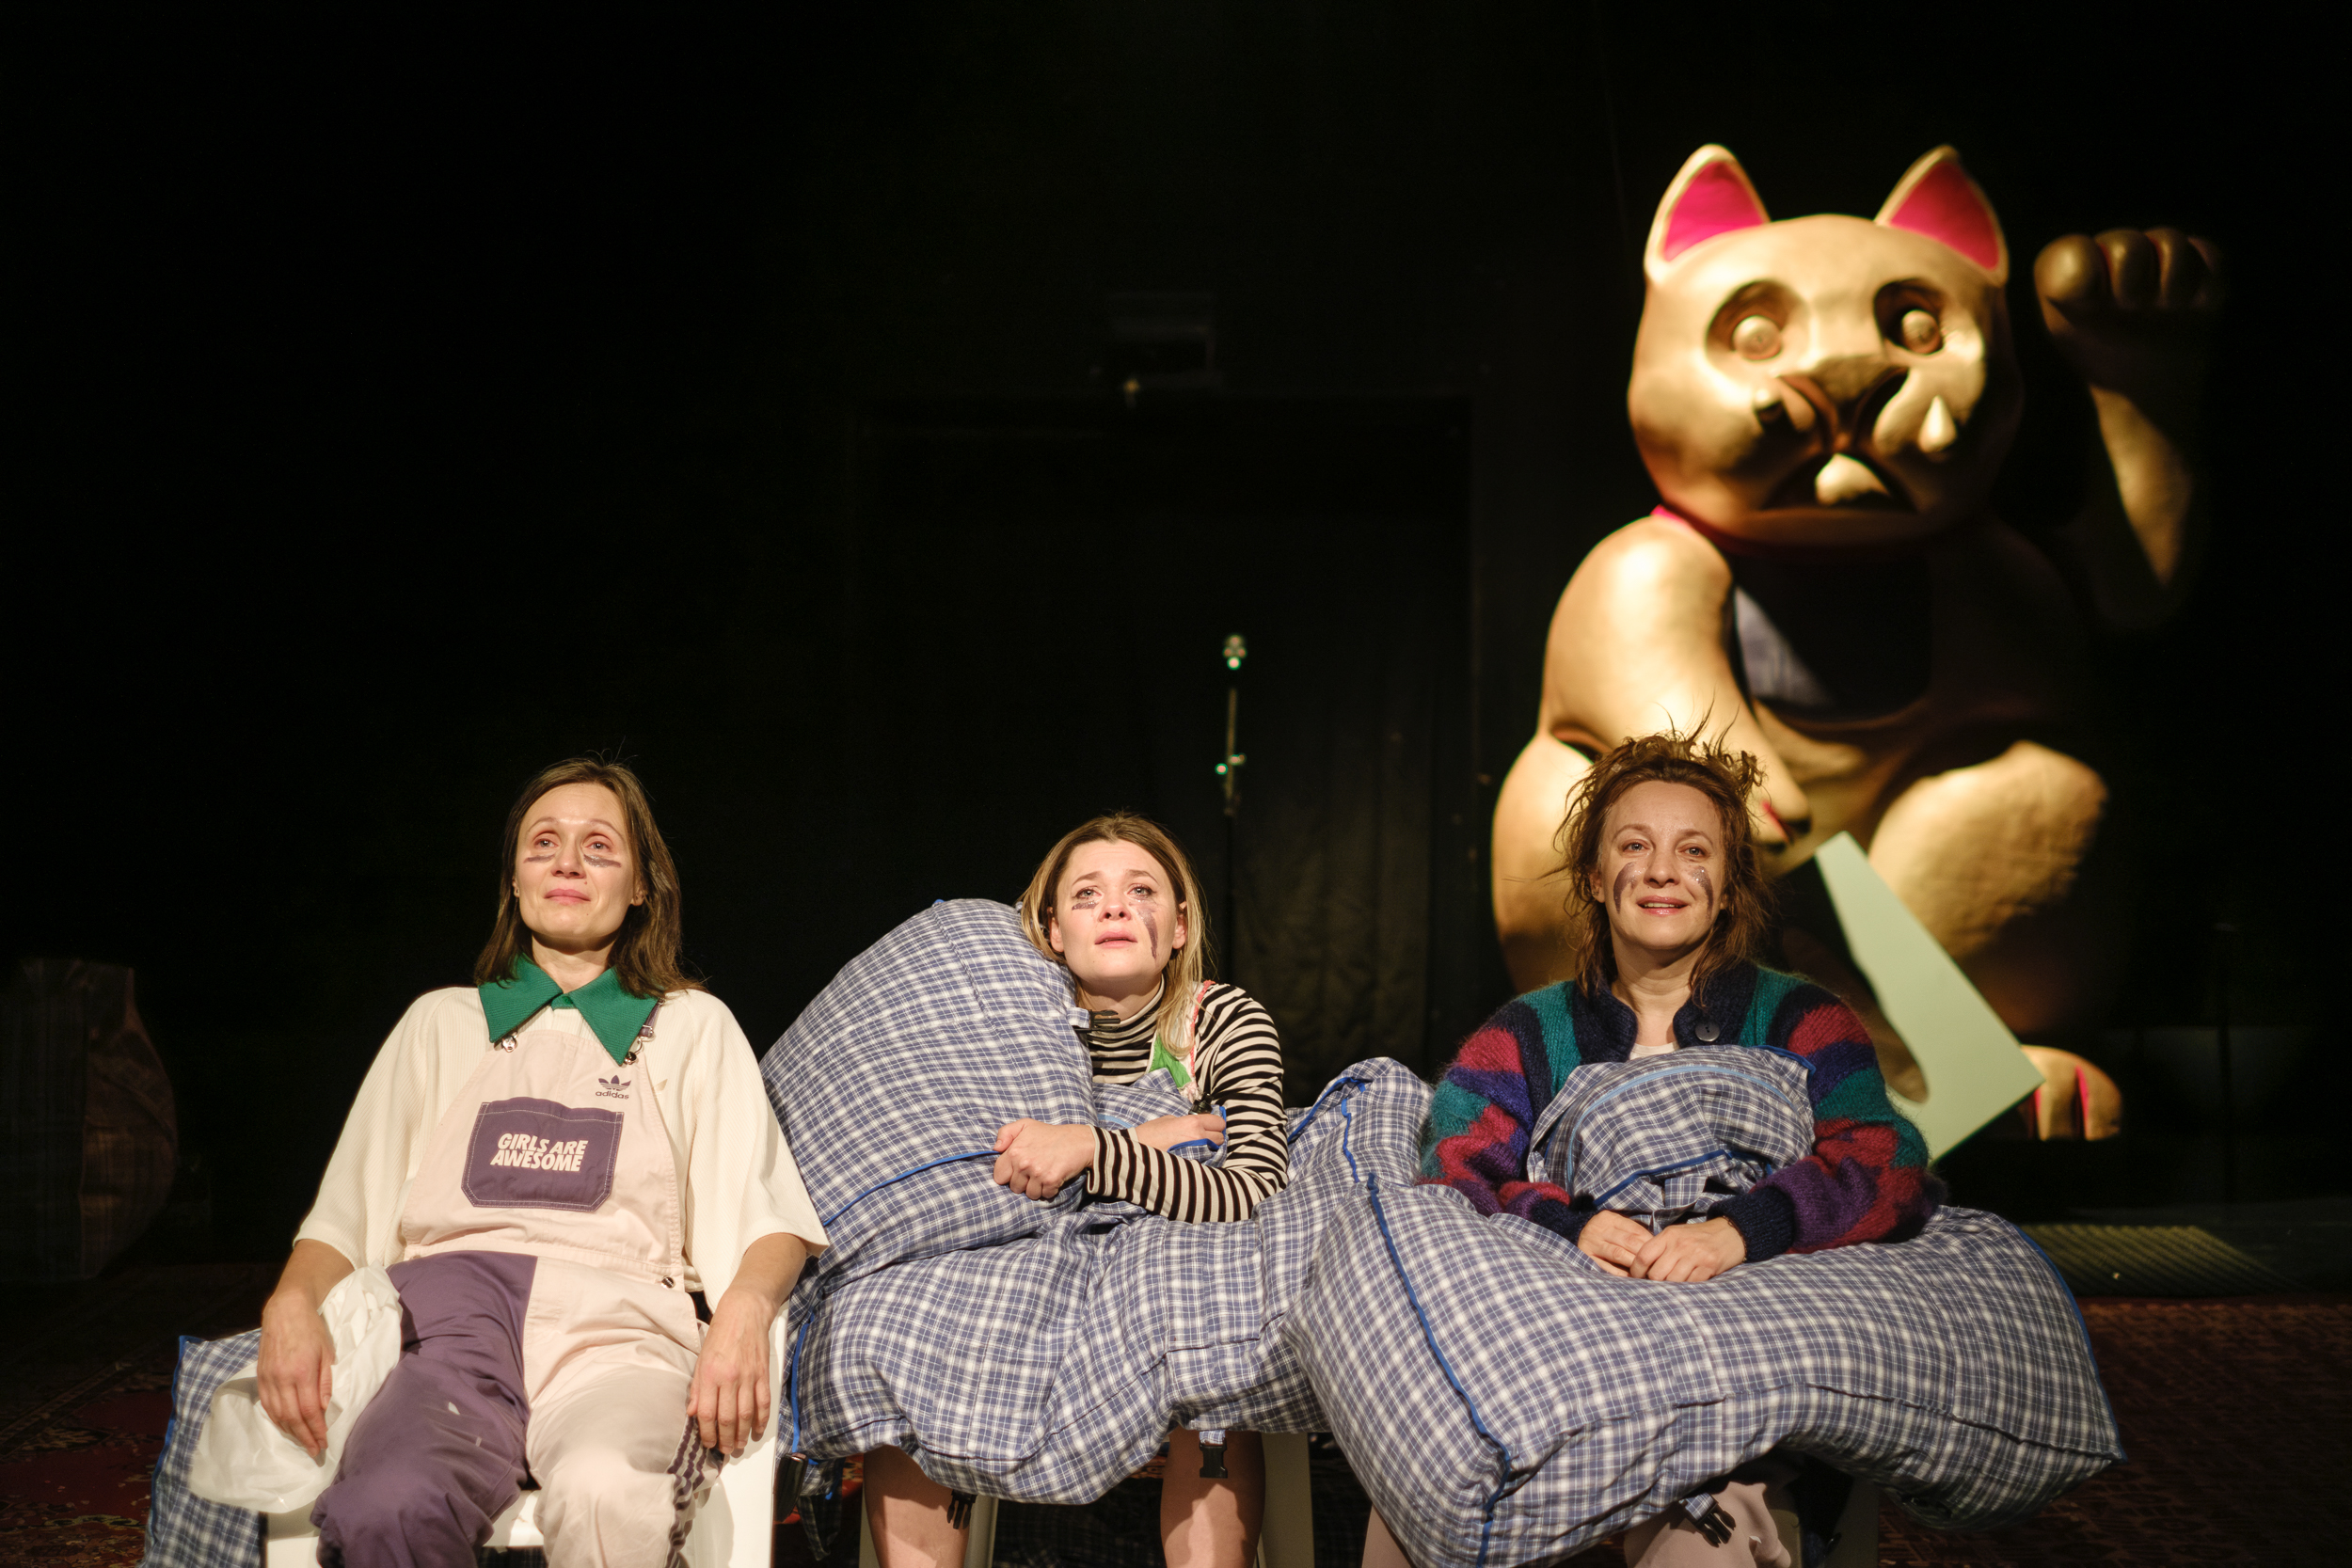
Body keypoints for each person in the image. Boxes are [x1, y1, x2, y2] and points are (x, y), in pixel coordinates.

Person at [1364, 731, 1935, 1568]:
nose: (1663, 870)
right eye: (1635, 846)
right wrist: (1570, 1227)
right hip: (1556, 1383)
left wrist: (1739, 1230)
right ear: (1596, 877)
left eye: (1693, 850)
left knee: (1699, 1546)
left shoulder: (1801, 1018)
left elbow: (1888, 1159)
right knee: (1418, 1506)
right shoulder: (1529, 1032)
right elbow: (1455, 1169)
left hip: (1735, 1406)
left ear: (1729, 886)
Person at [255, 759, 828, 1568]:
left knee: (607, 1490)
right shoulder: (441, 1022)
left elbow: (767, 1221)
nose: (568, 863)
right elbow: (343, 1221)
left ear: (640, 886)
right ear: (515, 878)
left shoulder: (691, 1027)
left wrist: (742, 1310)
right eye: (544, 843)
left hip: (617, 1340)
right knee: (390, 1501)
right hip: (442, 1339)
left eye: (599, 846)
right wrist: (289, 1300)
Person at [865, 813, 1289, 1568]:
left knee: (1209, 1323)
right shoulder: (1003, 1021)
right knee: (904, 1318)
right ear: (1054, 929)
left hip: (1161, 1274)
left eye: (1141, 890)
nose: (1116, 906)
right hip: (1022, 1264)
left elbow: (1253, 1189)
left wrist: (1092, 1147)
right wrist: (1155, 1136)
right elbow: (968, 1165)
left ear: (1180, 925)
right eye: (1088, 893)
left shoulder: (1220, 1021)